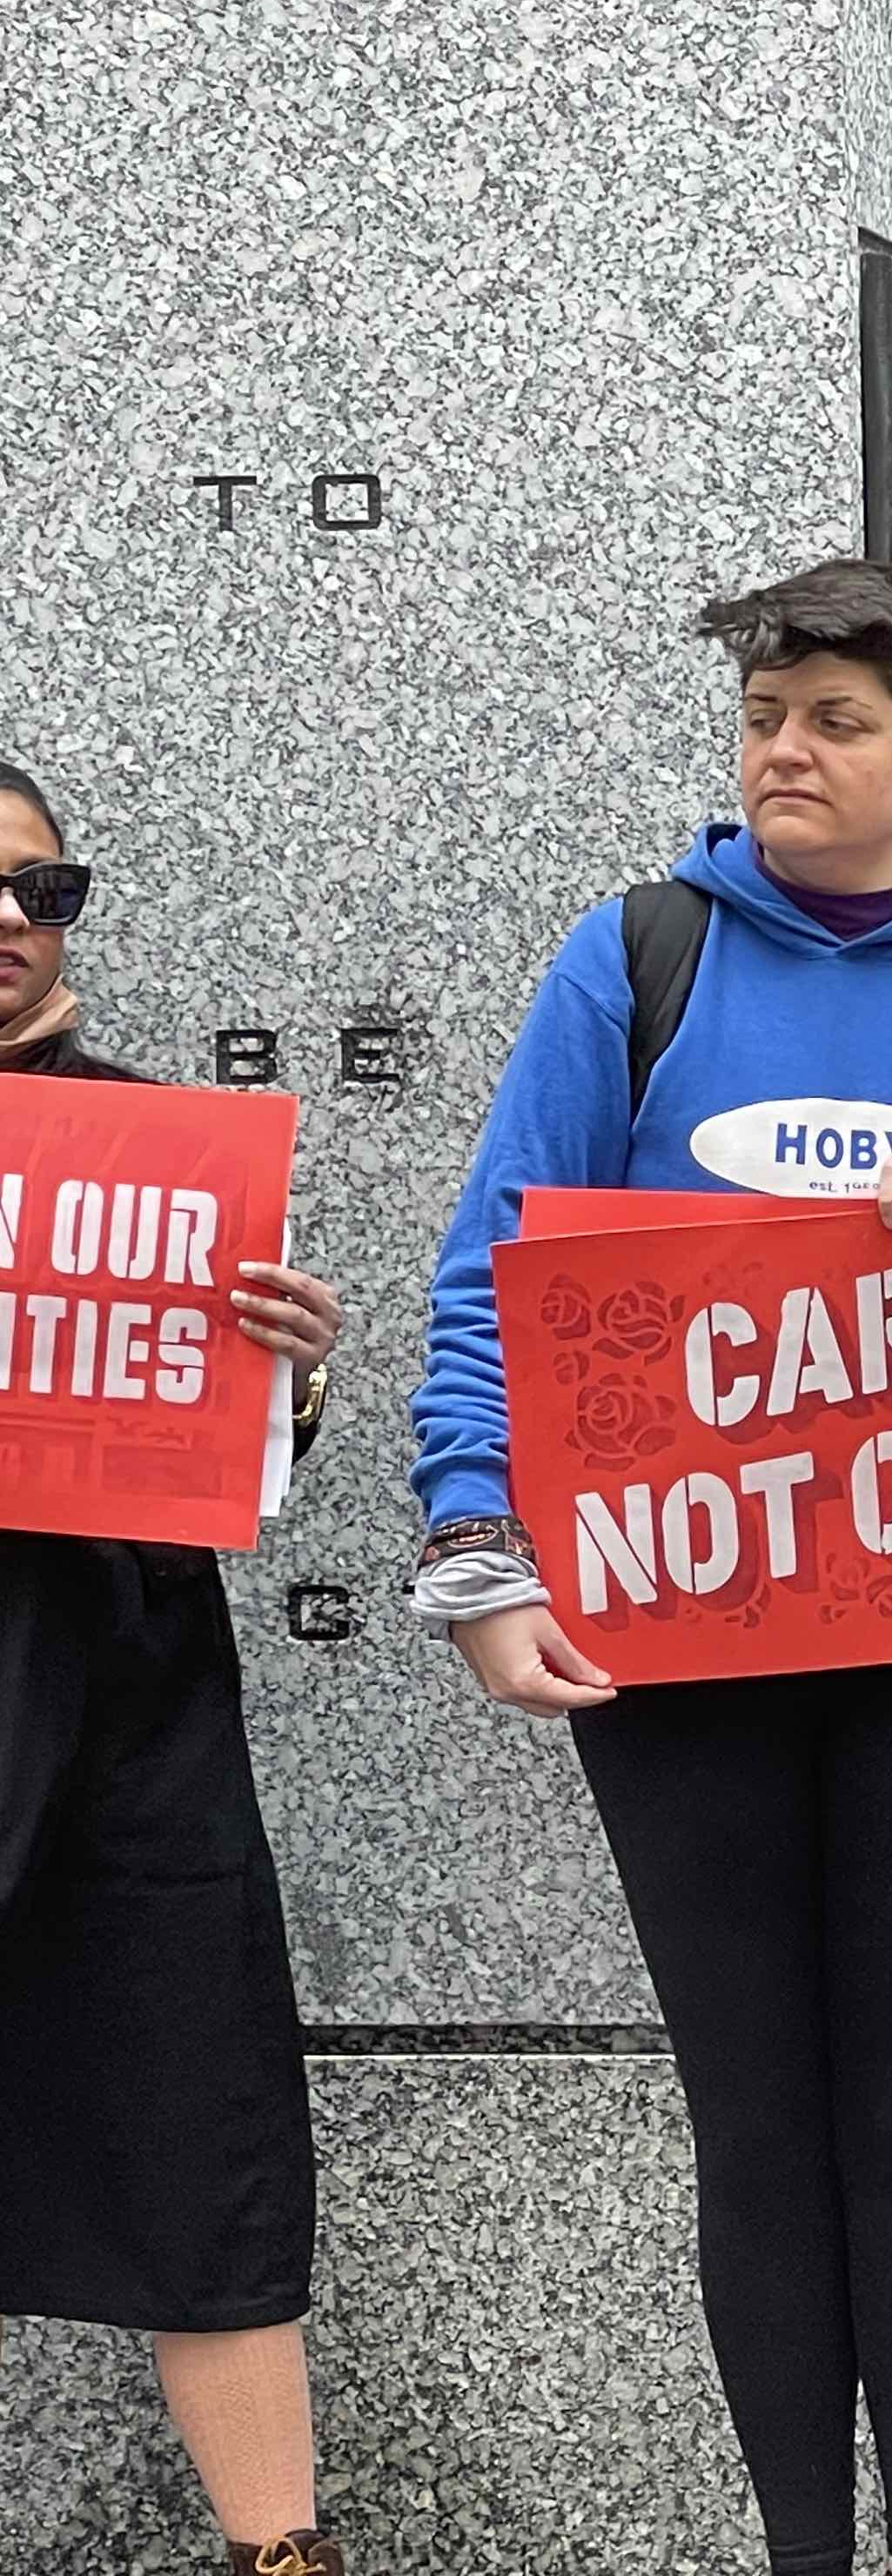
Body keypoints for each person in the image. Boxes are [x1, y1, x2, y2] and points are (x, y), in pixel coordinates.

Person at [404, 560, 892, 2576]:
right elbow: (496, 1272)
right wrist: (480, 1557)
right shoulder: (639, 957)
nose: (785, 752)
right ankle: (800, 2556)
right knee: (754, 2122)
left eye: (836, 721)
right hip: (679, 1630)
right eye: (766, 716)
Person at [0, 759, 351, 2576]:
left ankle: (283, 2555)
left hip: (126, 1707)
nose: (9, 924)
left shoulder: (163, 1154)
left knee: (198, 2128)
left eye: (43, 895)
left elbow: (244, 1481)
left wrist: (285, 1377)